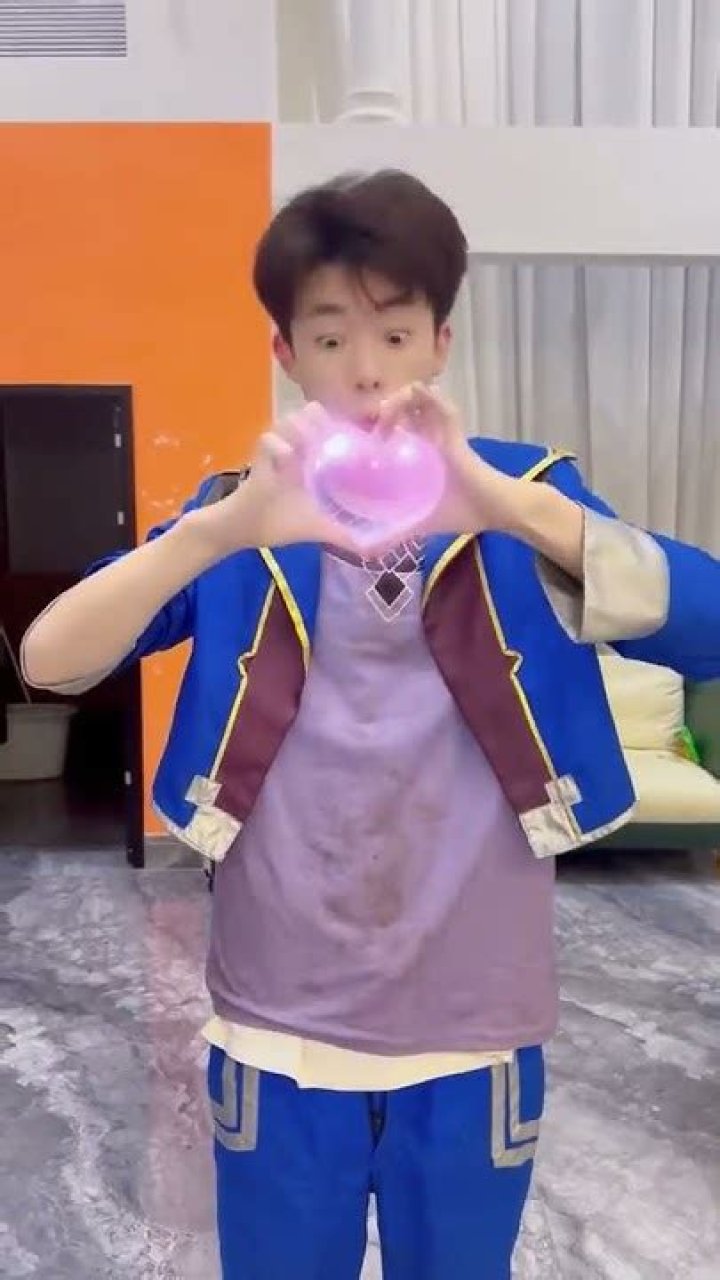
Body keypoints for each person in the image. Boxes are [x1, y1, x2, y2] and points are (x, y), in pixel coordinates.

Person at [21, 170, 720, 1280]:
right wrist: (216, 533)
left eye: (395, 334)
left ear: (440, 341)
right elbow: (49, 659)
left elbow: (709, 628)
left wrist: (507, 506)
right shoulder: (241, 515)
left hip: (477, 1023)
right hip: (277, 1024)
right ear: (286, 351)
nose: (366, 369)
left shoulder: (526, 498)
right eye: (331, 336)